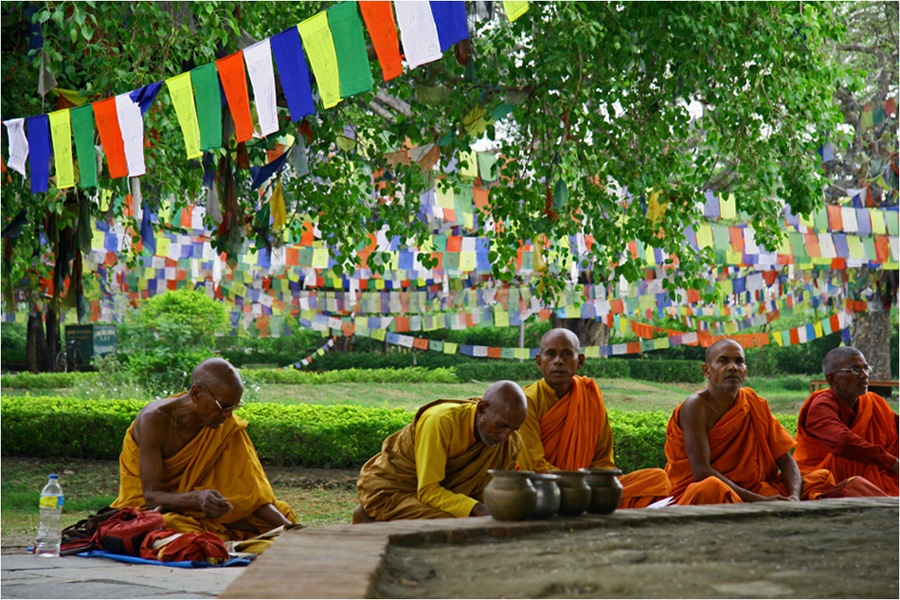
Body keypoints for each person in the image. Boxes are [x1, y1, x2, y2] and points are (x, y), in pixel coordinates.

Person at [665, 339, 881, 505]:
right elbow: (701, 472)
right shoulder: (695, 406)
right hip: (719, 490)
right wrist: (761, 502)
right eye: (723, 360)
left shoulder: (753, 403)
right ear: (706, 370)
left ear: (746, 370)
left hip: (757, 490)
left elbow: (786, 461)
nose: (733, 367)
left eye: (739, 361)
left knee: (821, 478)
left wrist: (793, 497)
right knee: (710, 488)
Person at [111, 357, 296, 540]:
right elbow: (151, 497)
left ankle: (230, 531)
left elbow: (253, 496)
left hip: (206, 513)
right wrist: (196, 499)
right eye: (223, 406)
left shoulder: (225, 426)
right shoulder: (154, 419)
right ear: (196, 393)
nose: (228, 414)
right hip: (161, 510)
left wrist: (291, 529)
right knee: (171, 525)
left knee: (283, 511)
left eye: (233, 406)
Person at [516, 328, 670, 508]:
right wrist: (577, 485)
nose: (558, 361)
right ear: (539, 362)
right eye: (551, 354)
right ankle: (587, 502)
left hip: (587, 486)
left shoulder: (589, 396)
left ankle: (585, 502)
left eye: (566, 354)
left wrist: (597, 484)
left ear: (580, 361)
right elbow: (534, 466)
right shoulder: (527, 401)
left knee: (657, 478)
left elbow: (603, 460)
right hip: (544, 486)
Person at [353, 380, 527, 522]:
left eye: (514, 429)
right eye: (501, 426)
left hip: (446, 498)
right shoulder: (441, 421)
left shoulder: (510, 443)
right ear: (482, 409)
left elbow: (489, 493)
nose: (505, 436)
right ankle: (369, 518)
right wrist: (476, 509)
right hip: (393, 493)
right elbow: (428, 490)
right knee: (458, 522)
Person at [794, 346, 898, 495]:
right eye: (855, 370)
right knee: (852, 455)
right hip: (822, 476)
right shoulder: (821, 405)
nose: (864, 375)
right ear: (832, 379)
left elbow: (894, 425)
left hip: (877, 472)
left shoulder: (872, 401)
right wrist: (892, 463)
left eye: (866, 368)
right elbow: (843, 443)